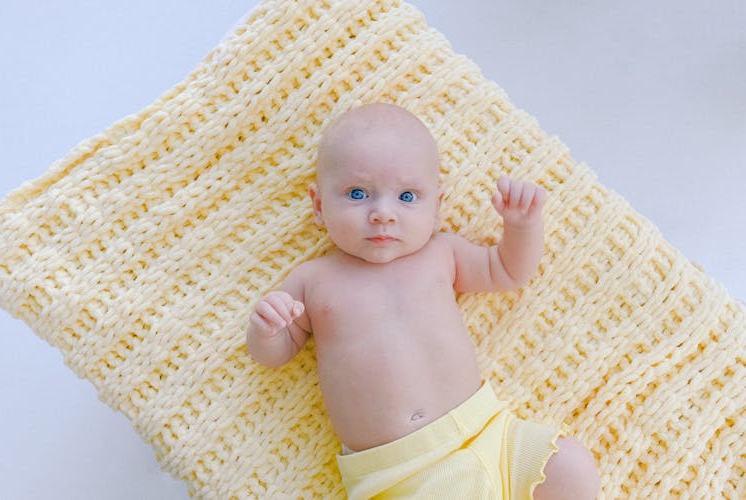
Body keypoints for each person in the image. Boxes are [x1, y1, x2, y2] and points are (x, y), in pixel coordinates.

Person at [247, 103, 600, 499]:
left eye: (407, 196)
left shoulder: (441, 254)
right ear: (318, 205)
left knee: (571, 465)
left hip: (492, 435)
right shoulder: (314, 280)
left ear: (438, 204)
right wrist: (267, 329)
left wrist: (522, 226)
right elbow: (273, 354)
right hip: (404, 474)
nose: (383, 213)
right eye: (358, 194)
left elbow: (508, 270)